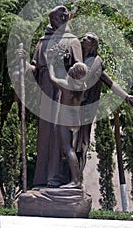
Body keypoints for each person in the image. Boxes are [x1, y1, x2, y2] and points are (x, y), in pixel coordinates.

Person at [24, 5, 83, 188]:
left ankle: (57, 177)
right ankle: (41, 179)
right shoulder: (43, 41)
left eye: (65, 15)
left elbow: (80, 69)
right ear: (51, 18)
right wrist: (22, 64)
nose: (63, 17)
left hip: (61, 92)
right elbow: (34, 68)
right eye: (59, 15)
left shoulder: (72, 41)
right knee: (45, 135)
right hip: (44, 92)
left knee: (59, 136)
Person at [77, 32, 133, 171]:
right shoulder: (75, 59)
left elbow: (110, 83)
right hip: (70, 105)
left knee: (83, 141)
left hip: (86, 107)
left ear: (93, 46)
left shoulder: (96, 63)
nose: (84, 39)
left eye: (88, 39)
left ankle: (77, 173)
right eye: (84, 37)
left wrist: (125, 96)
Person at [49, 60, 87, 188]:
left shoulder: (66, 85)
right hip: (76, 119)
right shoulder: (83, 86)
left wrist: (51, 63)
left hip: (65, 119)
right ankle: (73, 178)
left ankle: (75, 181)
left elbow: (52, 78)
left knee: (67, 149)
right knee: (69, 149)